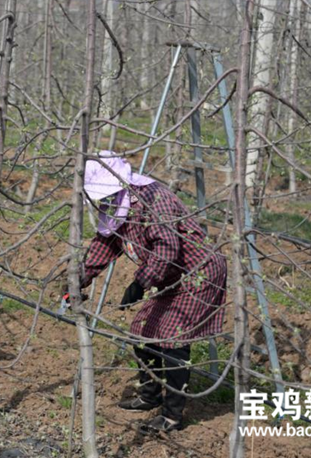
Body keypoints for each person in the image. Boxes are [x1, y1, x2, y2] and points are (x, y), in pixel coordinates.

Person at [78, 150, 227, 434]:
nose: (104, 201)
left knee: (172, 340)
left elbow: (167, 248)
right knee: (141, 332)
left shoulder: (154, 200)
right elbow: (106, 242)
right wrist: (80, 277)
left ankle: (172, 416)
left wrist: (140, 283)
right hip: (168, 276)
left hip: (198, 274)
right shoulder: (116, 206)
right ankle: (150, 395)